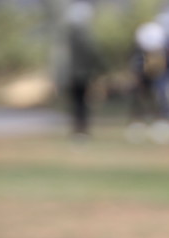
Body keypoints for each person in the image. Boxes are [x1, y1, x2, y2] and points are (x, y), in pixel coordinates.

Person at [62, 1, 103, 139]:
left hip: (75, 74)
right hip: (82, 75)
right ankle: (81, 130)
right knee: (81, 103)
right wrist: (100, 69)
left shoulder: (71, 34)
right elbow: (91, 53)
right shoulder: (81, 34)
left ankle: (79, 129)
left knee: (78, 103)